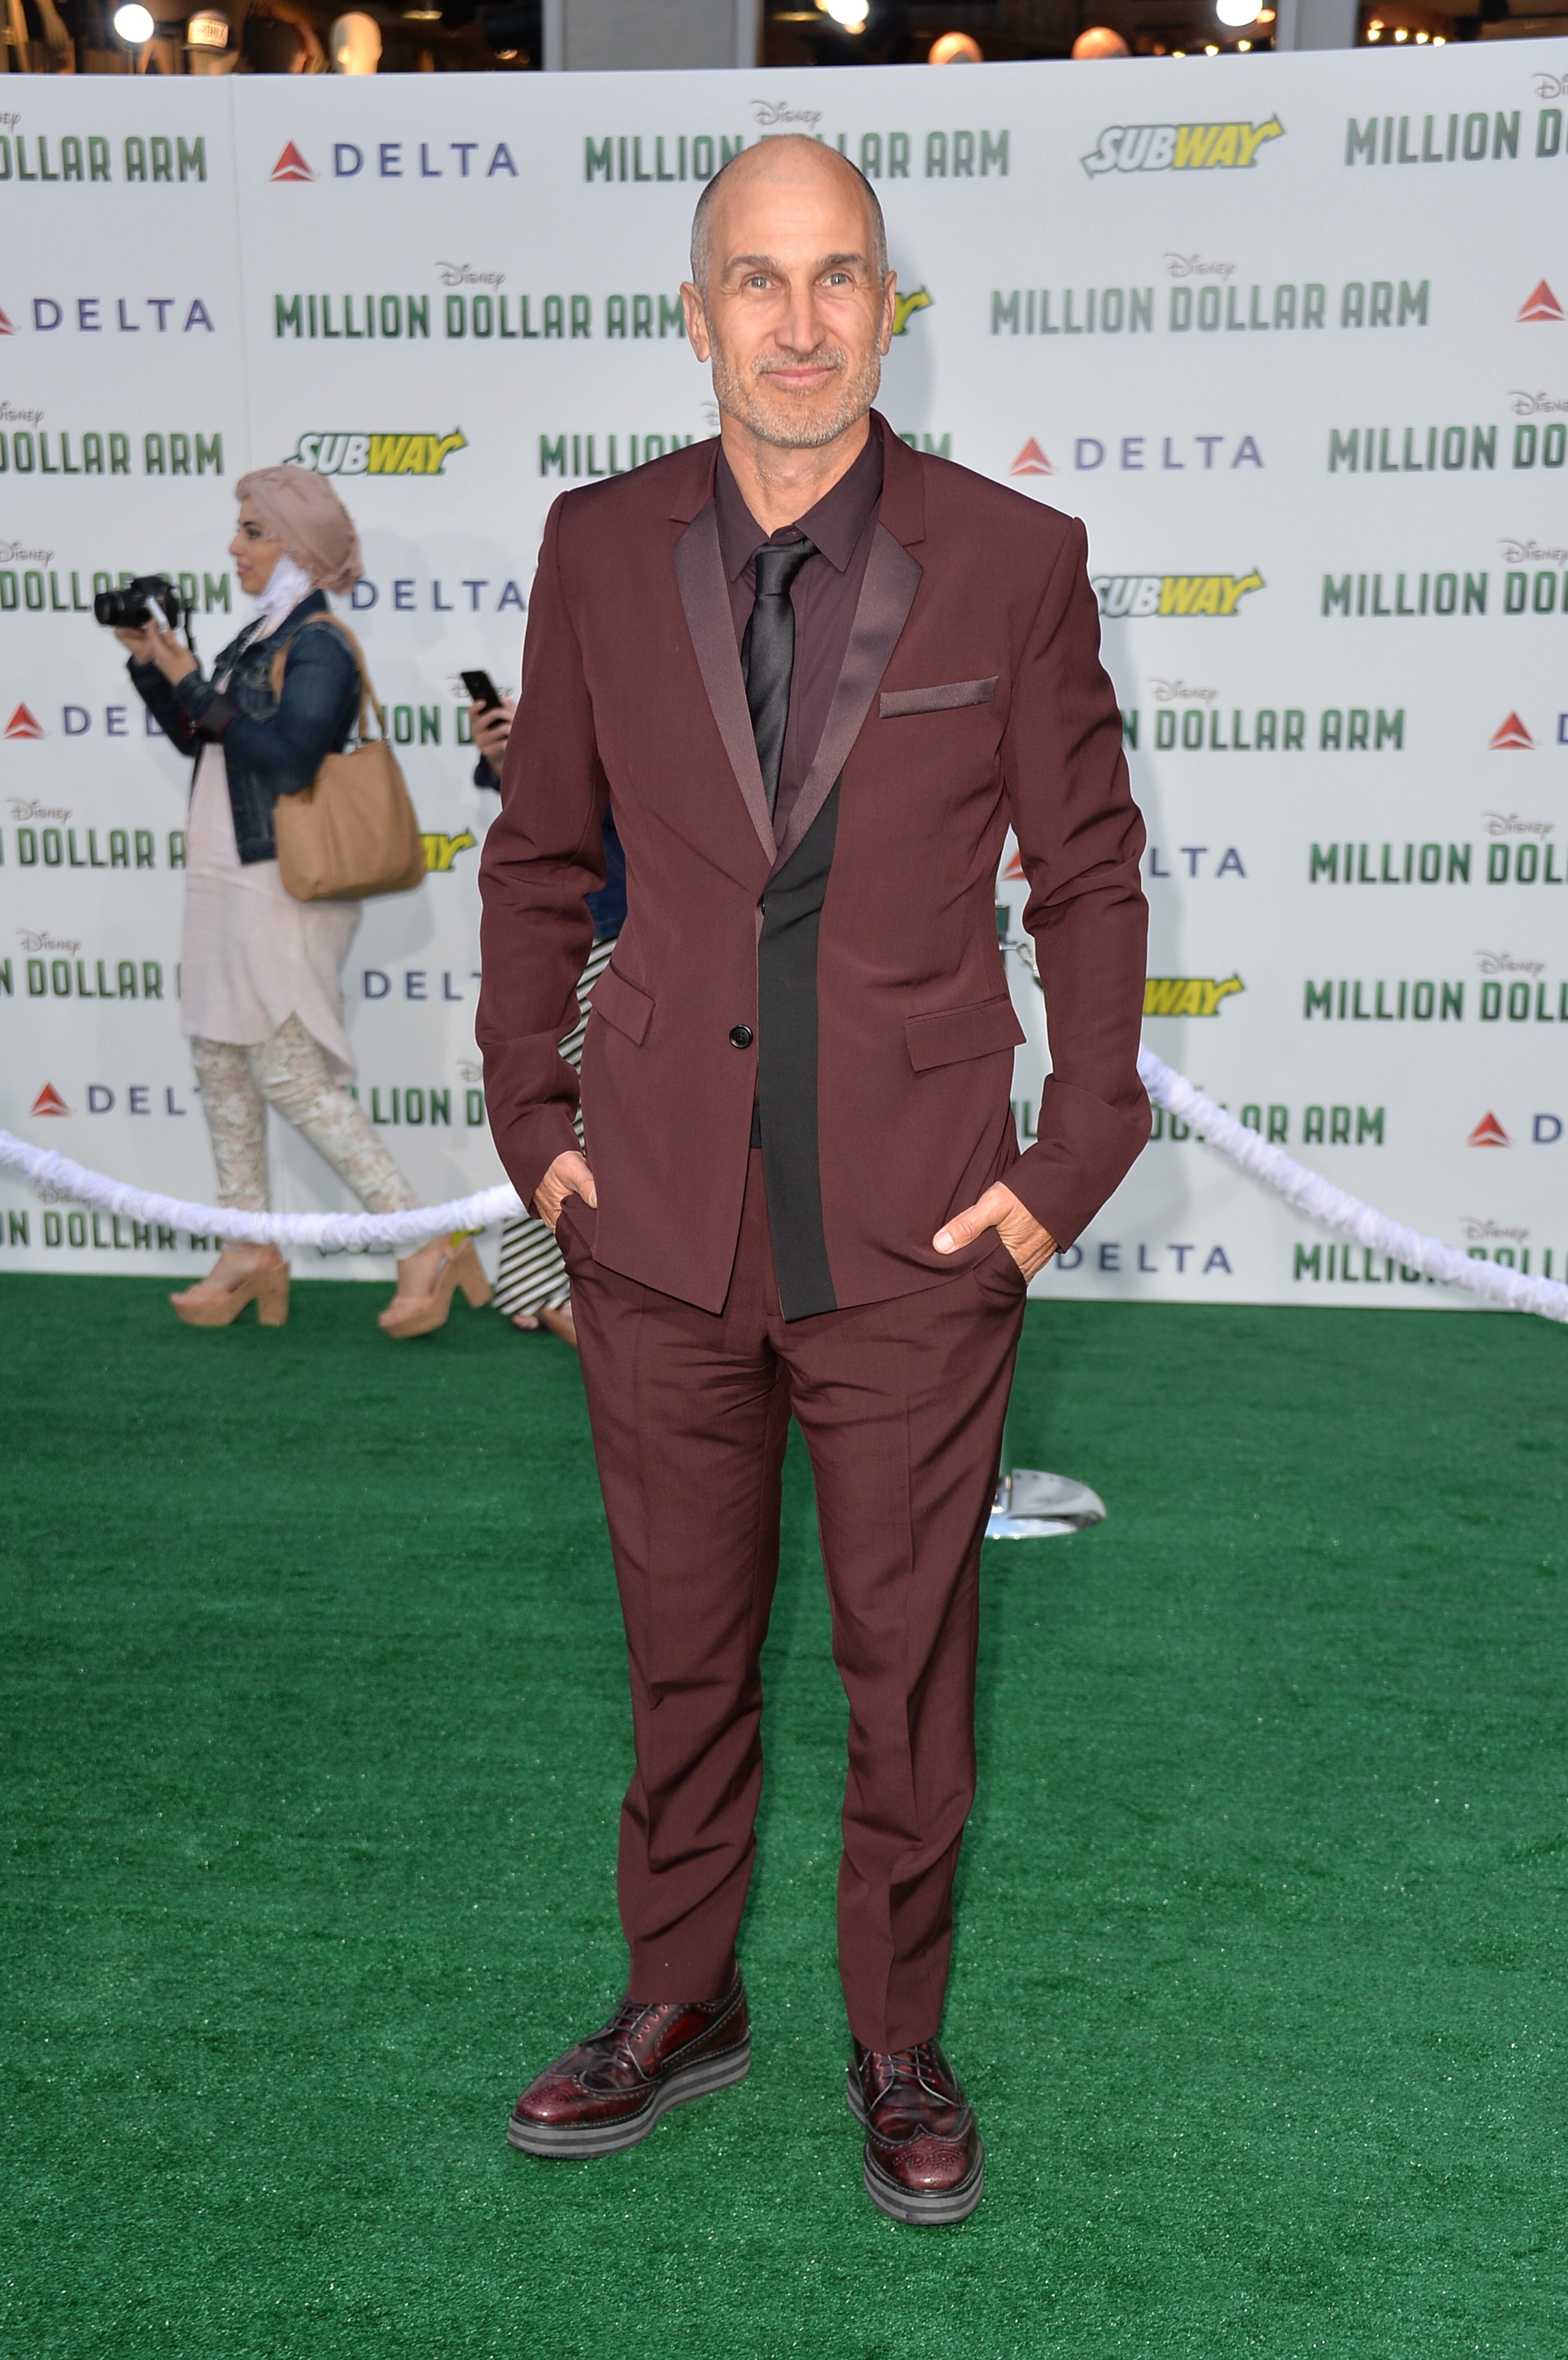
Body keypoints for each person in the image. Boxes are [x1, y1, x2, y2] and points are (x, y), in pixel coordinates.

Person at [477, 138, 1149, 2223]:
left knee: (904, 1656)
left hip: (922, 1226)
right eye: (752, 282)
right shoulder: (593, 547)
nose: (797, 320)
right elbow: (531, 857)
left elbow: (1093, 874)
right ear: (695, 317)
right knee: (680, 1646)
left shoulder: (1015, 556)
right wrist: (535, 1121)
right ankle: (680, 1997)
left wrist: (1066, 1160)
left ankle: (894, 2031)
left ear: (885, 302)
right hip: (656, 1216)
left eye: (836, 275)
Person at [120, 468, 489, 1337]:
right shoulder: (261, 634)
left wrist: (192, 679)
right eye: (240, 530)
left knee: (289, 1072)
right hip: (223, 878)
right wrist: (155, 671)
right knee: (218, 1059)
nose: (234, 547)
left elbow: (286, 762)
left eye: (253, 531)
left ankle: (423, 1241)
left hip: (283, 889)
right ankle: (248, 1245)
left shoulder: (319, 641)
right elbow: (203, 742)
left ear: (299, 544)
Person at [471, 695, 625, 1348]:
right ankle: (552, 1286)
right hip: (587, 926)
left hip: (627, 923)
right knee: (565, 1116)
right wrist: (521, 749)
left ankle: (556, 1285)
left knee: (591, 1116)